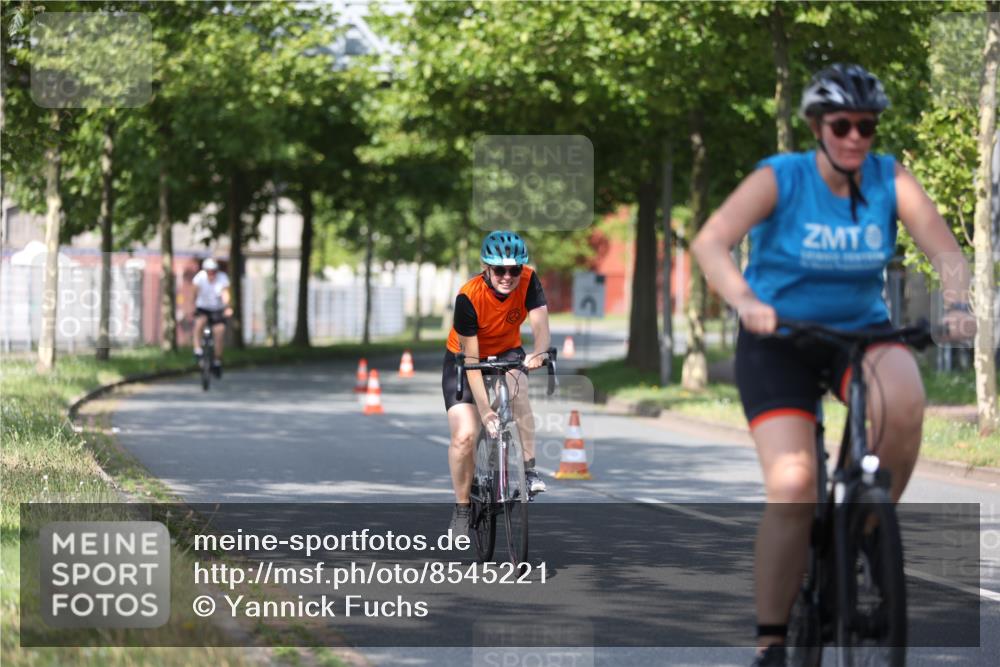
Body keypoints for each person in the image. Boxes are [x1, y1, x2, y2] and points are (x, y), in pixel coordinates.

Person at [690, 64, 975, 666]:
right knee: (793, 485)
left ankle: (867, 528)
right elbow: (711, 242)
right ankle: (771, 644)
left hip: (861, 331)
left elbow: (945, 249)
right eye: (842, 124)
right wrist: (745, 301)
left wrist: (956, 304)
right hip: (779, 338)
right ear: (818, 127)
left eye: (866, 126)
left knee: (906, 404)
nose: (855, 137)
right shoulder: (781, 178)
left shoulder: (888, 178)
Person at [442, 231, 553, 535]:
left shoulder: (529, 281)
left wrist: (539, 353)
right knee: (465, 434)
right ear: (486, 268)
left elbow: (541, 326)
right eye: (500, 270)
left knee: (519, 391)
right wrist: (485, 411)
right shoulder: (469, 296)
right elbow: (473, 360)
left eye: (514, 270)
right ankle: (463, 508)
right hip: (465, 358)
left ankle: (529, 472)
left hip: (506, 350)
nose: (508, 276)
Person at [191, 257, 233, 377]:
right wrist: (193, 305)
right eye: (209, 271)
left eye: (214, 271)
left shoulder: (222, 278)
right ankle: (198, 350)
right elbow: (194, 291)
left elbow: (225, 294)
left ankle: (217, 361)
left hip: (217, 309)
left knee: (219, 332)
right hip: (203, 307)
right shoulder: (200, 277)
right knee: (200, 322)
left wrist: (227, 307)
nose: (212, 274)